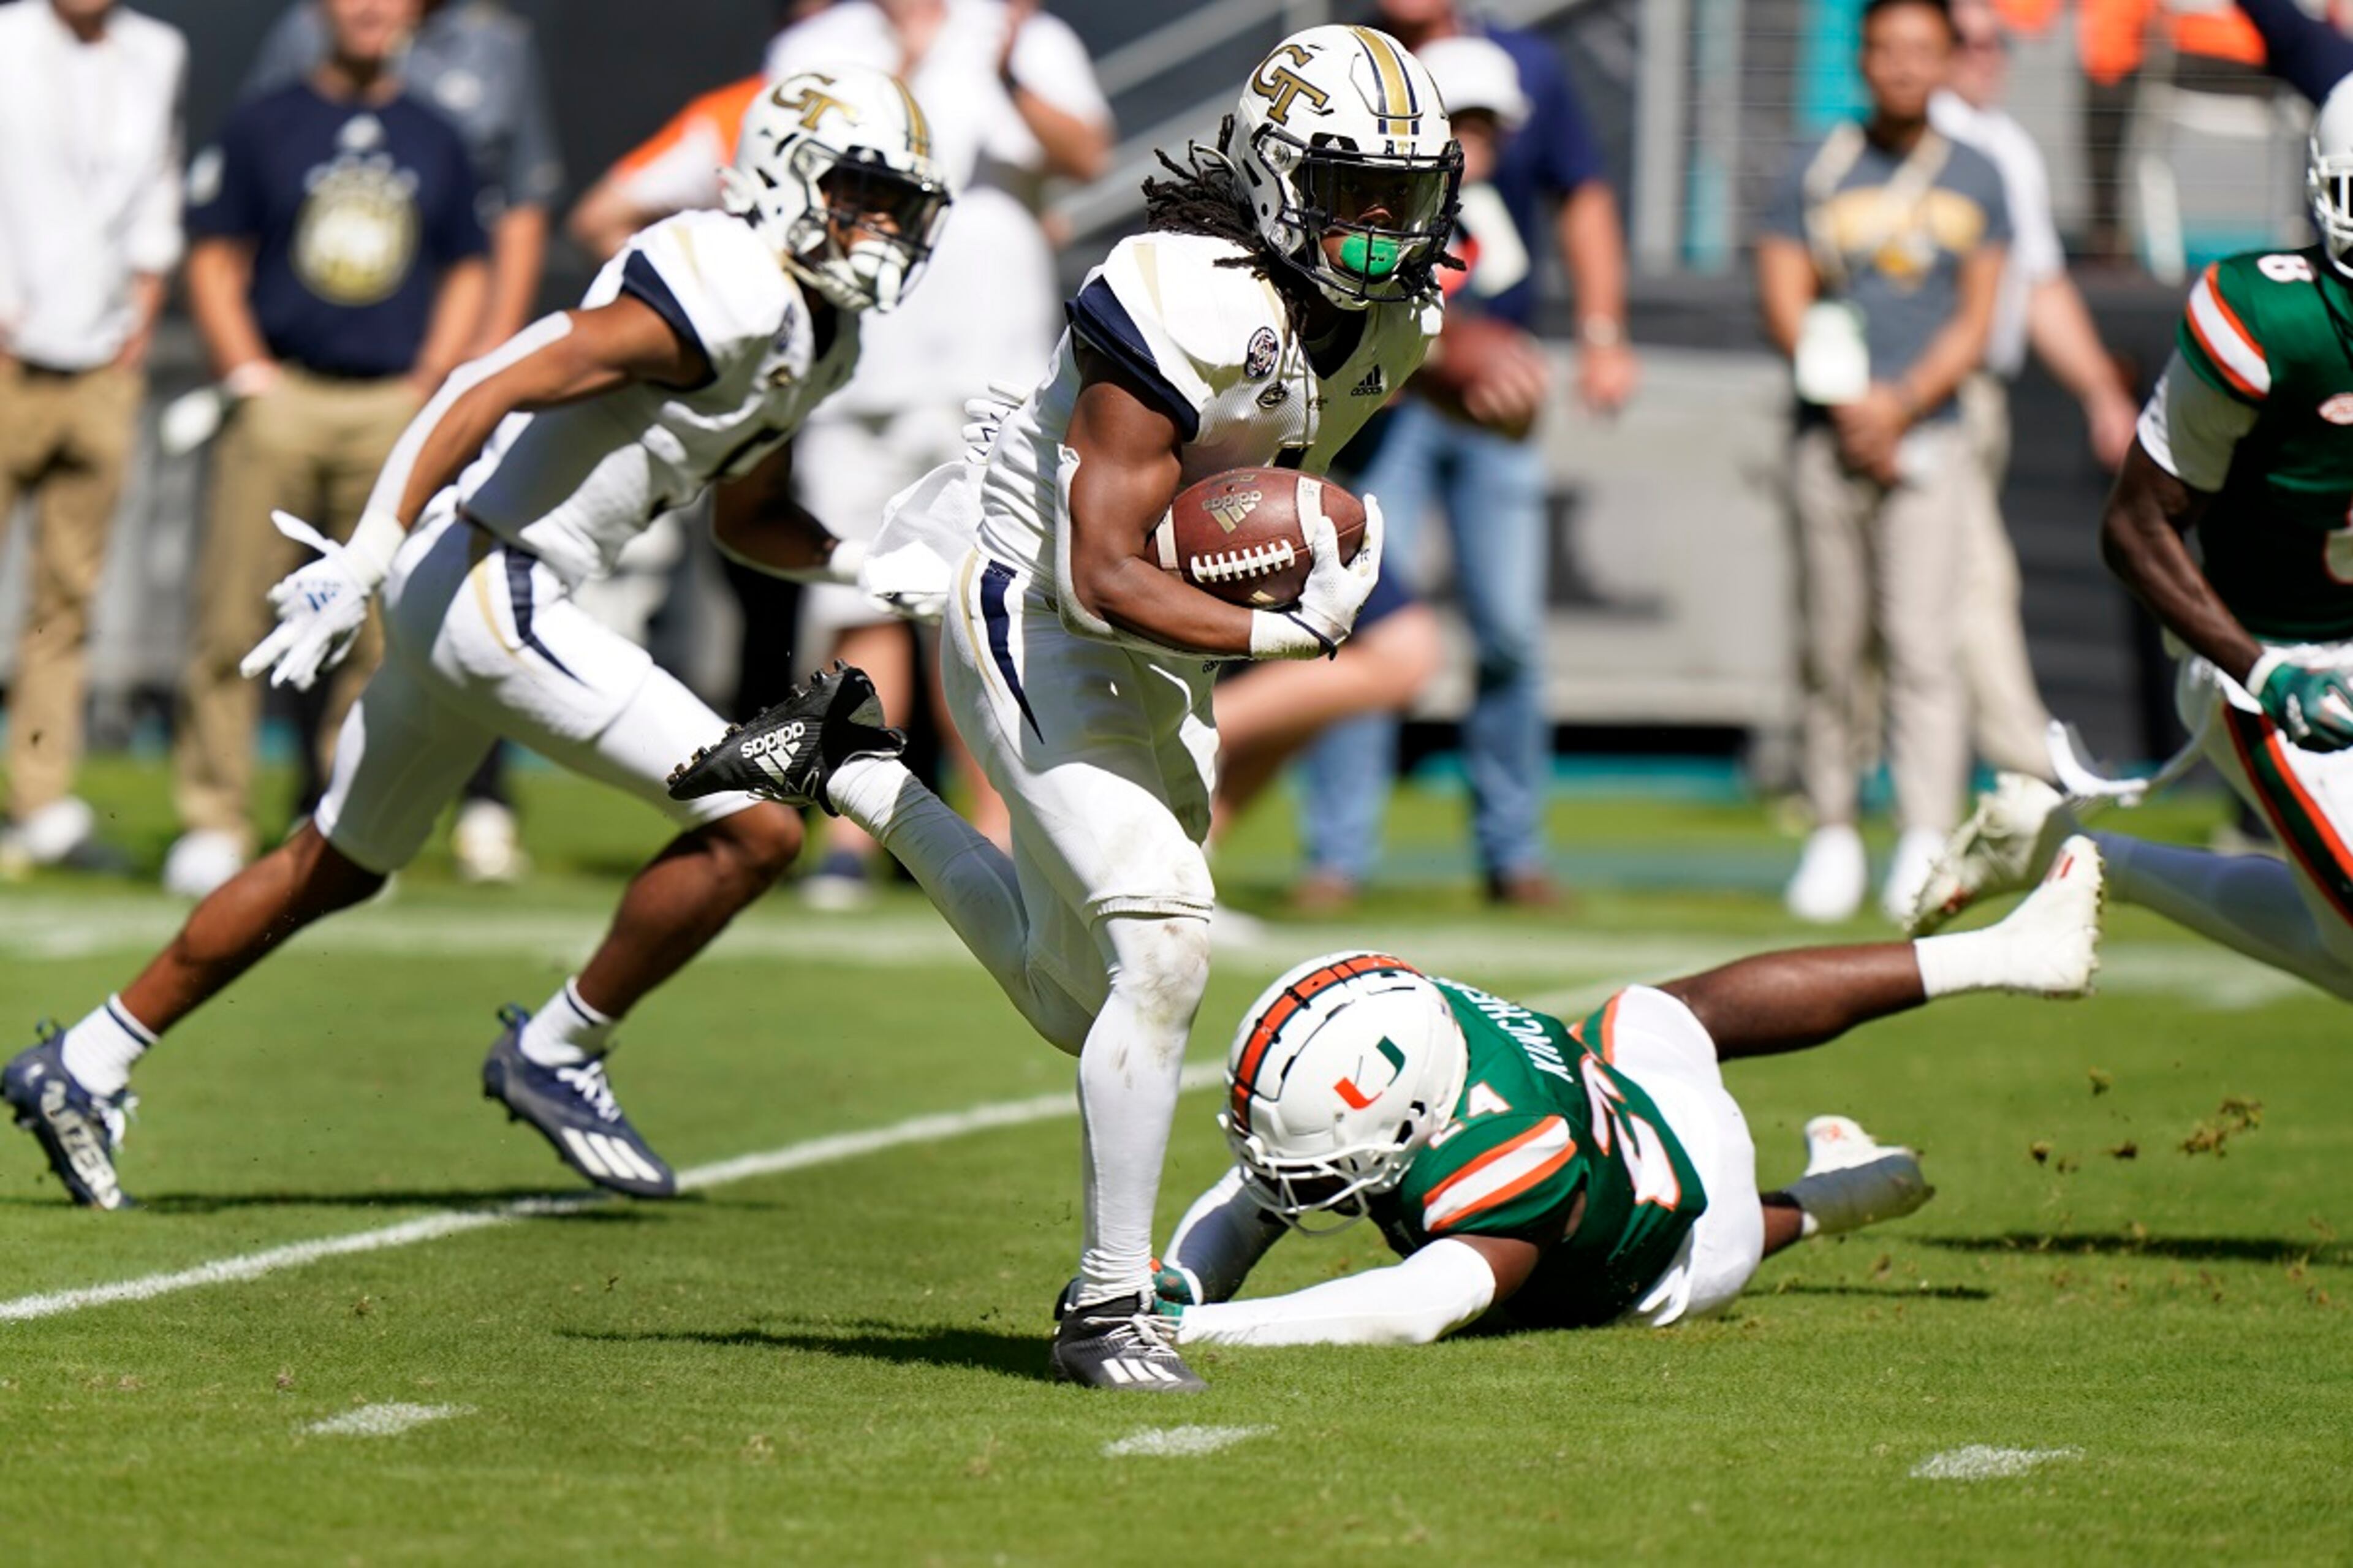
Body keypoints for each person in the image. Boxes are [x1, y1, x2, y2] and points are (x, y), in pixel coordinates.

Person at [2, 68, 953, 1211]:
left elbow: (748, 519)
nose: (883, 225)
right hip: (496, 580)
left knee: (336, 862)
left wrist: (863, 564)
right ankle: (557, 1049)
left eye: (901, 203)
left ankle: (89, 1060)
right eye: (862, 193)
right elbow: (488, 379)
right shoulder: (727, 286)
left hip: (481, 584)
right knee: (755, 827)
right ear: (786, 174)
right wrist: (365, 549)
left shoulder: (822, 333)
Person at [670, 26, 1457, 1391]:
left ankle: (854, 762)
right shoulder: (1178, 293)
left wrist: (1284, 554)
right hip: (1036, 598)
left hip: (1164, 623)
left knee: (1076, 991)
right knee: (1159, 951)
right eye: (1353, 193)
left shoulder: (1403, 321)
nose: (1384, 232)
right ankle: (1107, 1308)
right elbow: (1100, 574)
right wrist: (1286, 618)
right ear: (1278, 179)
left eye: (1407, 196)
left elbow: (1231, 502)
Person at [1149, 839, 2102, 1346]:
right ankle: (1990, 970)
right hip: (1634, 1114)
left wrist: (1200, 1323)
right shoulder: (1426, 1018)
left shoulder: (1507, 1162)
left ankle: (1818, 1203)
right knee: (1659, 1011)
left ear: (1410, 1118)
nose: (1280, 1171)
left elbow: (1411, 1307)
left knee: (1672, 1234)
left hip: (1689, 1248)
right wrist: (1173, 1282)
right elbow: (1265, 1187)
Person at [1911, 80, 2353, 1006]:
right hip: (2272, 652)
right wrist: (2263, 671)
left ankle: (2077, 845)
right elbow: (2136, 525)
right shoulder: (2272, 321)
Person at [767, 0, 1113, 904]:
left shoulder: (1024, 37)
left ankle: (1000, 831)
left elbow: (1086, 156)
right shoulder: (818, 44)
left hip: (992, 377)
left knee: (989, 609)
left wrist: (1002, 67)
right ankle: (854, 835)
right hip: (859, 367)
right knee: (857, 600)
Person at [1298, 1, 1640, 911]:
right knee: (1354, 618)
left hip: (1498, 394)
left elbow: (1586, 190)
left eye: (1488, 126)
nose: (1476, 140)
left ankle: (1513, 849)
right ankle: (1335, 855)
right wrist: (1439, 350)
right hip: (1383, 400)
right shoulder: (1341, 66)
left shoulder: (1527, 63)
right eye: (1464, 125)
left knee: (1511, 629)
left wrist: (1603, 332)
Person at [165, 0, 490, 901]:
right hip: (282, 395)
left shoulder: (439, 135)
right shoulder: (266, 120)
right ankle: (213, 818)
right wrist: (244, 369)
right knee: (231, 614)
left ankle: (347, 828)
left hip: (390, 408)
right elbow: (214, 250)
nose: (371, 10)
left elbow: (470, 257)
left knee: (380, 633)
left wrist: (432, 375)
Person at [242, 0, 569, 884]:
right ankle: (314, 799)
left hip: (446, 371)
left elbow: (523, 207)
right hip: (329, 357)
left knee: (459, 576)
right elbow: (274, 162)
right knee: (316, 583)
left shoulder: (498, 43)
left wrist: (486, 366)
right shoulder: (304, 33)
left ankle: (485, 799)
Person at [1757, 0, 2009, 926]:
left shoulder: (1979, 170)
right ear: (1861, 59)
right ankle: (1830, 826)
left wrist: (1900, 405)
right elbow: (1782, 289)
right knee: (1830, 642)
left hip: (1930, 438)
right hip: (1829, 433)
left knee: (1922, 645)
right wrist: (1851, 398)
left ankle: (1922, 831)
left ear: (1948, 58)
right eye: (1886, 48)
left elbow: (1976, 316)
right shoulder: (1816, 167)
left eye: (1921, 49)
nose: (1903, 67)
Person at [1932, 0, 2141, 786]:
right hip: (1920, 395)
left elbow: (2040, 286)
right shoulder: (1925, 138)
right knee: (1971, 577)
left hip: (1973, 392)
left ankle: (1840, 770)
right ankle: (2027, 760)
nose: (1988, 58)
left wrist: (2099, 391)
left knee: (1941, 583)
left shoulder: (2005, 145)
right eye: (1969, 43)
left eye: (1997, 43)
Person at [0, 0, 186, 877]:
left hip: (102, 366)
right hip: (8, 359)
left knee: (66, 600)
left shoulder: (158, 52)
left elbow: (157, 188)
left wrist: (138, 323)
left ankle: (38, 801)